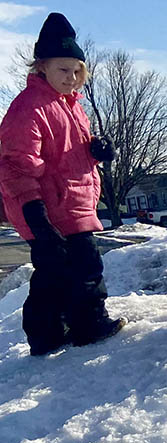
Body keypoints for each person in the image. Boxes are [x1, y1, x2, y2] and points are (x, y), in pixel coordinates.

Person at [0, 12, 123, 356]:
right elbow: (15, 165)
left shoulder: (71, 107)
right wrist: (35, 215)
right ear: (41, 67)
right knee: (83, 265)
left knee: (56, 272)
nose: (71, 79)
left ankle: (50, 332)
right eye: (63, 70)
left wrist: (97, 150)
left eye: (76, 71)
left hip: (74, 202)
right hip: (48, 208)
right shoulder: (28, 108)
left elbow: (69, 155)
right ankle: (88, 323)